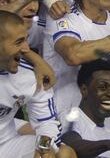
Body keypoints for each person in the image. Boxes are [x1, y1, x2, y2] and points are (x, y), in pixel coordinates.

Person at [0, 10, 75, 157]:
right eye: (18, 42)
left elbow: (46, 124)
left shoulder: (32, 76)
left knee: (64, 153)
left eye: (26, 40)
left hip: (6, 144)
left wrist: (43, 148)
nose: (27, 49)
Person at [62, 59, 110, 158]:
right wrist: (109, 144)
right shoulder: (71, 116)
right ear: (84, 90)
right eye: (102, 87)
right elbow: (73, 145)